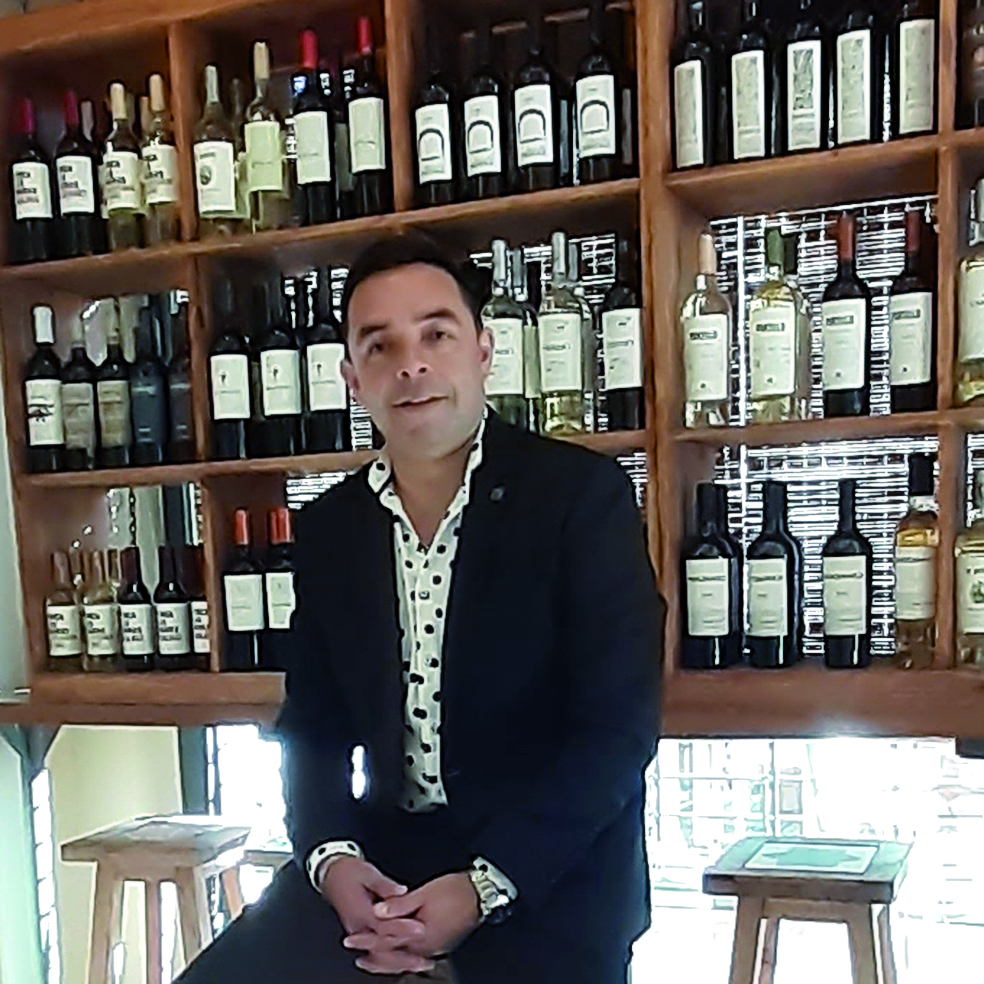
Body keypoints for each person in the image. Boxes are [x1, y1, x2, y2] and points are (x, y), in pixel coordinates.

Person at [177, 233, 663, 984]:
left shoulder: (580, 498)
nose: (410, 365)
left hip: (549, 875)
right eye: (380, 346)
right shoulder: (332, 527)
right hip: (382, 871)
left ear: (483, 351)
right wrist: (332, 860)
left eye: (436, 334)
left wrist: (484, 886)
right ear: (351, 377)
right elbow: (313, 726)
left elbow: (617, 733)